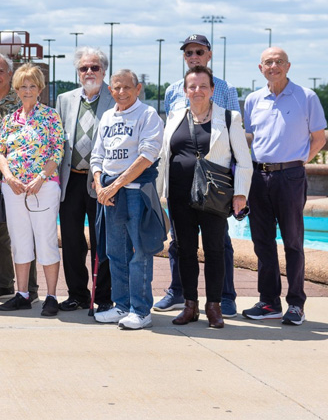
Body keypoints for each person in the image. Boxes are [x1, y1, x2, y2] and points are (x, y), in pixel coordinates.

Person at [158, 66, 251, 328]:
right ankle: (190, 305)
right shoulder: (174, 116)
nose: (197, 91)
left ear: (212, 90)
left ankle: (214, 306)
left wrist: (240, 194)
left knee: (215, 250)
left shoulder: (229, 118)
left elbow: (244, 161)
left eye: (202, 86)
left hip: (214, 197)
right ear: (185, 90)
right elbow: (164, 157)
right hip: (179, 197)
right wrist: (158, 195)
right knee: (185, 250)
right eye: (192, 86)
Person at [243, 47, 327, 326]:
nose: (274, 66)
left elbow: (319, 138)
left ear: (288, 66)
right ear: (261, 68)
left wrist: (300, 162)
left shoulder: (307, 97)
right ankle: (269, 303)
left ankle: (296, 304)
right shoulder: (253, 100)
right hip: (258, 178)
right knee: (262, 242)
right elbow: (250, 138)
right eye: (268, 62)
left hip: (290, 177)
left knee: (292, 241)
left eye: (279, 61)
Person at [91, 70, 166, 330]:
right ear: (110, 90)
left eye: (126, 87)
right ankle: (121, 305)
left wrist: (115, 185)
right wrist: (100, 184)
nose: (121, 92)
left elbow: (147, 156)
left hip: (136, 192)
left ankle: (141, 311)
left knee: (140, 253)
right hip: (110, 194)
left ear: (138, 88)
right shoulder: (107, 117)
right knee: (115, 253)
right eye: (116, 88)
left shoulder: (148, 115)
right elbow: (97, 156)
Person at [0, 64, 65, 316]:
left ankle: (51, 296)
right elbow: (0, 151)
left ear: (40, 89)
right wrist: (8, 177)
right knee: (19, 240)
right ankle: (22, 294)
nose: (27, 90)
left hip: (43, 187)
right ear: (16, 89)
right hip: (13, 188)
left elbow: (57, 151)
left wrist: (41, 178)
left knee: (46, 240)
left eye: (32, 86)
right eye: (23, 86)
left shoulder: (50, 116)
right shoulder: (9, 119)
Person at [56, 47, 114, 313]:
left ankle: (103, 297)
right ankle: (77, 294)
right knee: (71, 240)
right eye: (84, 68)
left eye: (94, 67)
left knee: (102, 241)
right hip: (71, 180)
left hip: (101, 183)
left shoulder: (115, 97)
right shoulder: (64, 100)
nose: (89, 72)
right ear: (77, 72)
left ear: (104, 70)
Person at [0, 52, 38, 303]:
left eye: (0, 71)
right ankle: (3, 283)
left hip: (17, 176)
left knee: (23, 232)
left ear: (10, 74)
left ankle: (29, 288)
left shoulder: (22, 99)